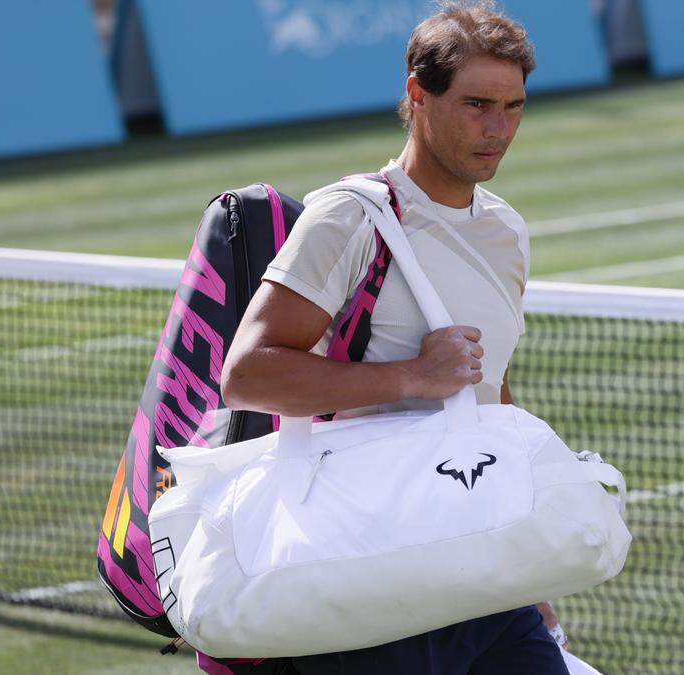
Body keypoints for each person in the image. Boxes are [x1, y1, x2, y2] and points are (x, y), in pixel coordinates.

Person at [221, 2, 569, 673]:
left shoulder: (506, 231)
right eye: (475, 104)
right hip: (373, 575)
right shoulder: (348, 217)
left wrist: (528, 568)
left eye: (514, 106)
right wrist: (411, 376)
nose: (497, 129)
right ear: (418, 94)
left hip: (483, 573)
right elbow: (248, 373)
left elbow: (488, 387)